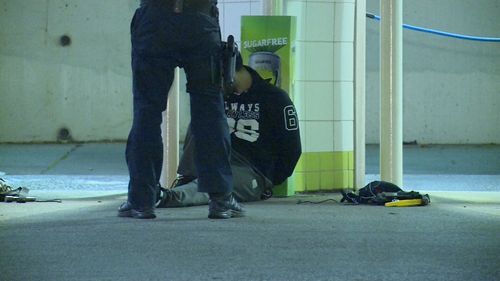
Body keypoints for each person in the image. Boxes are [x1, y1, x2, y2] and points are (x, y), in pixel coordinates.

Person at [118, 0, 244, 219]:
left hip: (154, 21)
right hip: (200, 22)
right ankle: (221, 200)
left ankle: (141, 201)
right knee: (210, 111)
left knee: (147, 111)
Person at [156, 53, 301, 208]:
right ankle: (185, 180)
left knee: (215, 186)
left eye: (217, 79)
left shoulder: (275, 98)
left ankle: (168, 197)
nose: (215, 85)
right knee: (201, 118)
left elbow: (292, 148)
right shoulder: (217, 95)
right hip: (218, 157)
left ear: (231, 72)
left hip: (250, 169)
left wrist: (269, 180)